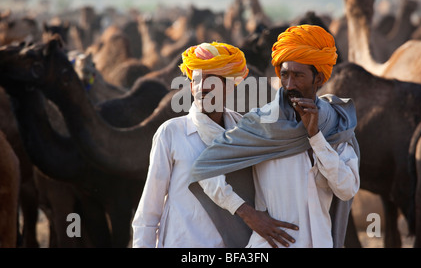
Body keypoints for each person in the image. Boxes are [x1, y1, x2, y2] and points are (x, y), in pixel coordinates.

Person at [189, 25, 360, 248]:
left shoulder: (335, 126)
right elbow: (203, 168)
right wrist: (248, 214)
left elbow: (346, 190)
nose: (289, 85)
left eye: (298, 76)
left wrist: (315, 137)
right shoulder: (260, 124)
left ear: (318, 79)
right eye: (285, 75)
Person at [132, 41, 273, 247]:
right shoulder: (171, 133)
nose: (203, 86)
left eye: (212, 80)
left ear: (229, 87)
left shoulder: (244, 133)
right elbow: (149, 211)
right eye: (197, 80)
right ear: (191, 86)